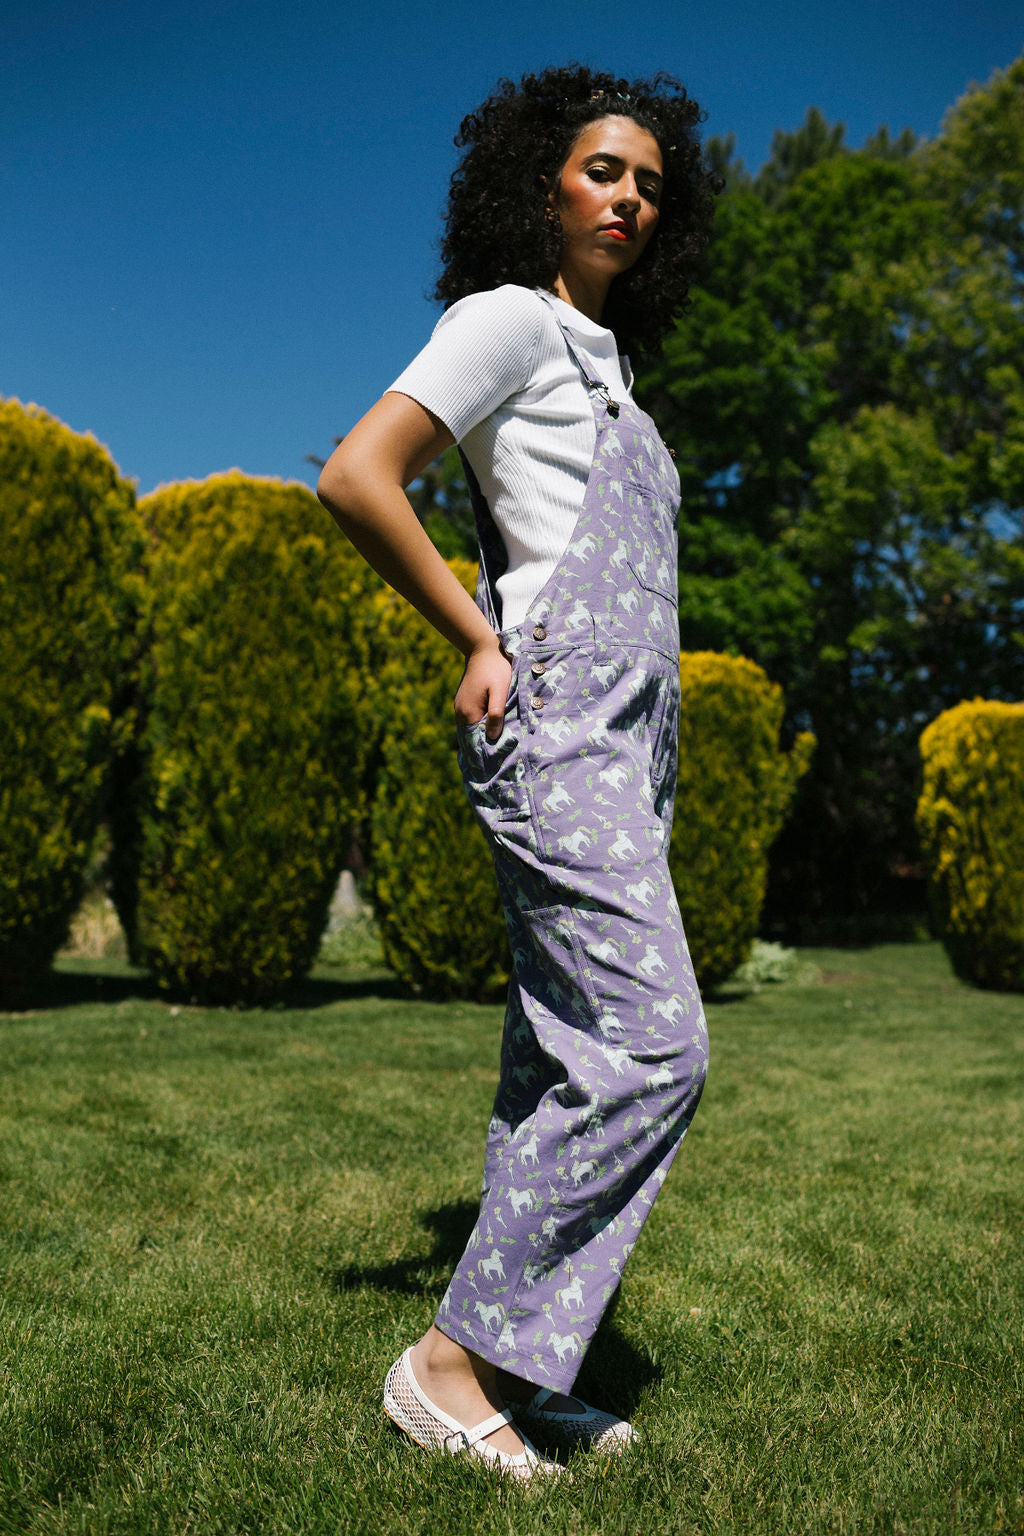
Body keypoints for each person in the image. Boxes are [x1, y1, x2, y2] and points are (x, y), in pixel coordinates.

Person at [317, 64, 721, 1481]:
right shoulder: (507, 321)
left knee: (563, 1055)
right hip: (556, 716)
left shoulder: (621, 380)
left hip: (634, 738)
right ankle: (448, 1364)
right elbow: (359, 475)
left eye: (652, 184)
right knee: (657, 1046)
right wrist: (477, 635)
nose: (630, 198)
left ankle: (523, 1365)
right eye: (604, 169)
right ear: (538, 182)